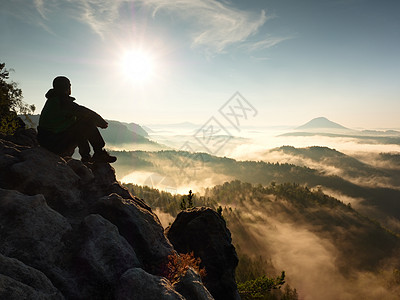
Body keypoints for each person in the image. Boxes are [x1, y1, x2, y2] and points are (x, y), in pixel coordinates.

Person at [37, 76, 116, 163]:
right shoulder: (62, 102)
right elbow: (83, 111)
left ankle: (87, 157)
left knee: (79, 123)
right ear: (67, 87)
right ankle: (98, 153)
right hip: (53, 143)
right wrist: (100, 121)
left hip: (47, 141)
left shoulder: (54, 100)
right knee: (85, 123)